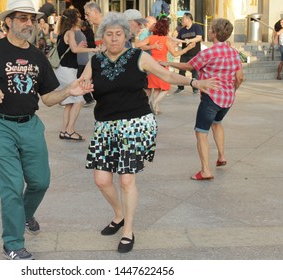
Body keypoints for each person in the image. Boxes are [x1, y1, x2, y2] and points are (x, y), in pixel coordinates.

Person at [0, 0, 93, 260]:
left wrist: (69, 91)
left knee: (40, 181)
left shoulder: (37, 56)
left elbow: (49, 98)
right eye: (22, 18)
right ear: (8, 21)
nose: (29, 23)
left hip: (30, 124)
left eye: (31, 19)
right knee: (11, 184)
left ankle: (25, 213)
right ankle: (13, 242)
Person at [80, 12, 218, 253]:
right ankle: (119, 213)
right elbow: (81, 83)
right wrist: (75, 89)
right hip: (105, 126)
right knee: (101, 180)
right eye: (109, 34)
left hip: (136, 123)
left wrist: (195, 83)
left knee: (125, 178)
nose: (114, 39)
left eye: (118, 34)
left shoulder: (138, 56)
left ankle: (128, 230)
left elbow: (166, 75)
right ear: (102, 37)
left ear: (127, 36)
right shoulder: (96, 62)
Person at [163, 18, 244, 180]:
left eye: (211, 29)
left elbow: (188, 66)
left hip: (211, 97)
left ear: (213, 33)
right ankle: (221, 156)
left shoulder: (208, 53)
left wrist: (165, 62)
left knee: (201, 132)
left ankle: (206, 171)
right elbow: (240, 77)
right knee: (217, 123)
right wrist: (232, 90)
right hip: (227, 99)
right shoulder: (234, 52)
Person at [55, 8, 97, 141]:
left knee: (69, 103)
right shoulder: (70, 32)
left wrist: (80, 46)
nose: (80, 20)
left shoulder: (62, 33)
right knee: (79, 100)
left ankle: (64, 130)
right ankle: (70, 130)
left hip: (64, 69)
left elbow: (71, 48)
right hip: (66, 70)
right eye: (78, 17)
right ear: (73, 19)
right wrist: (94, 48)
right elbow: (74, 49)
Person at [137, 19, 194, 114]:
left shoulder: (151, 38)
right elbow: (175, 54)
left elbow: (138, 45)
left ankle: (155, 108)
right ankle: (154, 102)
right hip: (162, 65)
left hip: (151, 64)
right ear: (166, 29)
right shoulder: (166, 40)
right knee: (166, 87)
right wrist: (187, 48)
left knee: (156, 87)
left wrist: (151, 47)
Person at [174, 12, 203, 95]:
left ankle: (195, 88)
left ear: (188, 19)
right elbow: (178, 40)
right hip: (184, 54)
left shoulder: (196, 27)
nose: (182, 20)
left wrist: (189, 41)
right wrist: (172, 43)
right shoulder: (182, 30)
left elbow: (199, 38)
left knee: (195, 72)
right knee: (181, 71)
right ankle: (180, 87)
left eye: (183, 18)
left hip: (195, 54)